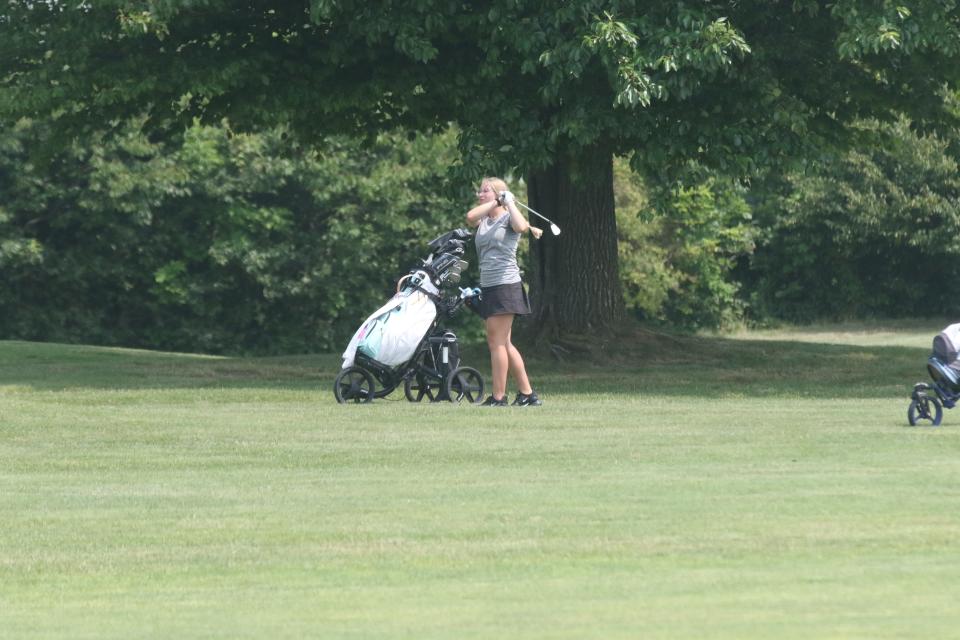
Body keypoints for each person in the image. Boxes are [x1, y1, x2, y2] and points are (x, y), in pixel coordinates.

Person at [465, 177, 543, 407]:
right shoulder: (484, 221)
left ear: (500, 193)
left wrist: (509, 203)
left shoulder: (510, 217)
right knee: (504, 344)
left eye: (485, 191)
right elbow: (470, 217)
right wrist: (495, 200)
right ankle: (527, 394)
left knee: (496, 341)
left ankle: (498, 397)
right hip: (490, 285)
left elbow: (520, 227)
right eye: (479, 191)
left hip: (506, 285)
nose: (480, 194)